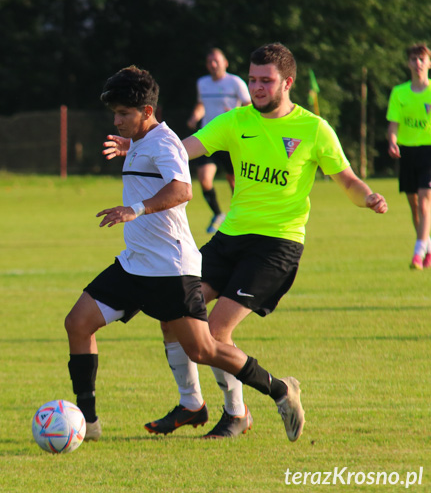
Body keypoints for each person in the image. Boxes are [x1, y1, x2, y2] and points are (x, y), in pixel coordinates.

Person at [103, 44, 387, 439]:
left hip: (277, 245)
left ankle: (239, 413)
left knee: (215, 330)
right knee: (173, 316)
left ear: (287, 82)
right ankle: (192, 405)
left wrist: (369, 197)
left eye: (266, 80)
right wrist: (136, 146)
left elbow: (347, 180)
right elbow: (182, 151)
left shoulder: (314, 129)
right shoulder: (236, 120)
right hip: (230, 238)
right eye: (252, 79)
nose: (257, 87)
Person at [65, 65, 306, 445]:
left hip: (170, 270)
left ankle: (279, 389)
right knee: (78, 323)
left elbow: (183, 190)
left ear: (147, 111)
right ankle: (88, 423)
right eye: (115, 113)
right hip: (134, 264)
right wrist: (130, 147)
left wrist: (135, 209)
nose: (117, 120)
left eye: (125, 114)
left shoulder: (164, 142)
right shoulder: (144, 141)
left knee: (205, 348)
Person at [185, 48, 251, 234]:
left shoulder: (235, 82)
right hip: (208, 139)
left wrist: (235, 116)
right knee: (204, 178)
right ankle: (218, 214)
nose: (213, 65)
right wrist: (195, 116)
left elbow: (249, 107)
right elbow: (201, 105)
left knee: (234, 180)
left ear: (225, 63)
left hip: (230, 140)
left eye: (216, 61)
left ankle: (240, 216)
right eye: (209, 62)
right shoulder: (203, 83)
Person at [386, 43, 431, 269]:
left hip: (429, 150)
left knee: (425, 201)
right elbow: (393, 124)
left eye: (422, 59)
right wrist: (392, 142)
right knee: (415, 206)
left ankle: (417, 254)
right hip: (408, 152)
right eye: (413, 59)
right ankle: (428, 246)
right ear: (408, 63)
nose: (418, 63)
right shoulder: (399, 92)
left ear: (429, 63)